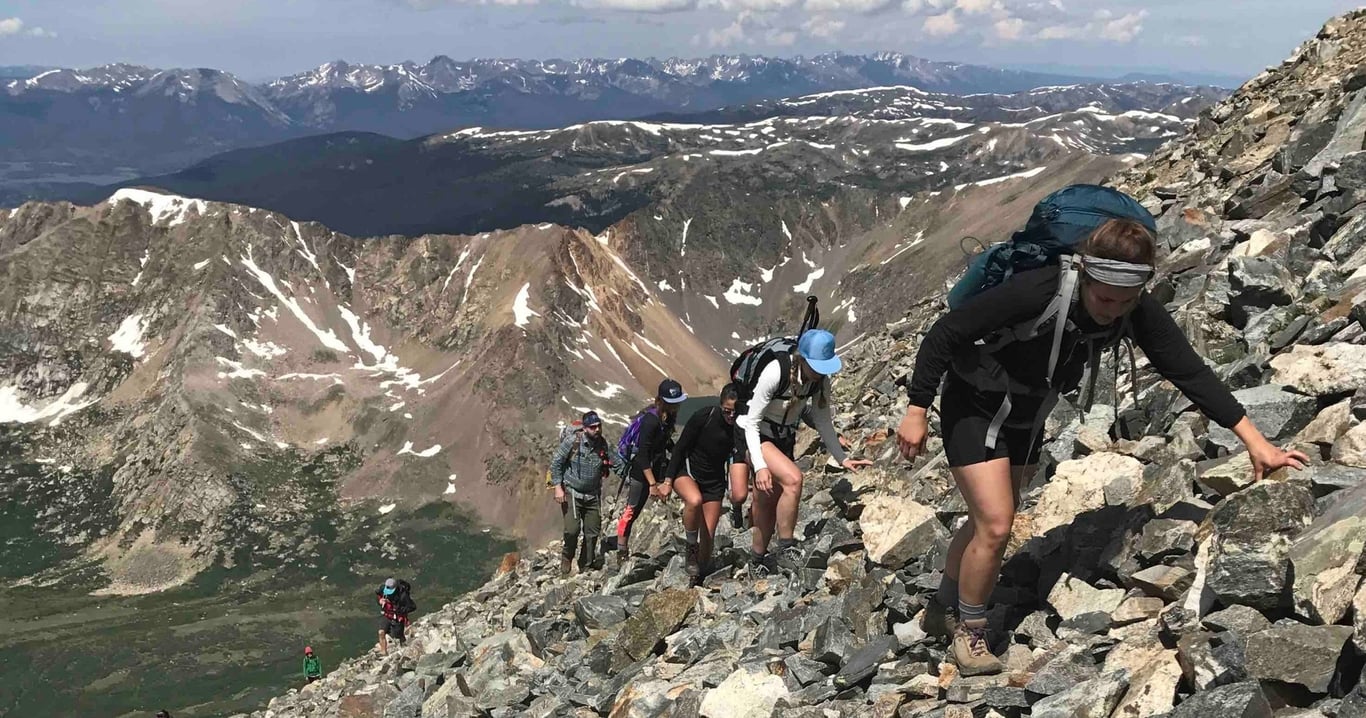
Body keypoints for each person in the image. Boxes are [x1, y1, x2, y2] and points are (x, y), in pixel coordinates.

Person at [895, 217, 1310, 676]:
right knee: (995, 524)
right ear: (1085, 277)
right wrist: (917, 408)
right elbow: (945, 333)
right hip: (974, 401)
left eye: (1124, 301)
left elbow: (1187, 371)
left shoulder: (1135, 309)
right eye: (1104, 298)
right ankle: (970, 633)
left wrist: (1257, 443)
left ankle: (942, 606)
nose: (1112, 311)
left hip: (1027, 410)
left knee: (989, 518)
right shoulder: (1039, 290)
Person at [736, 329, 871, 576]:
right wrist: (760, 466)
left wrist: (842, 457)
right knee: (794, 479)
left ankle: (756, 560)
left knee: (767, 500)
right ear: (803, 358)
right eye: (817, 365)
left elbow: (822, 421)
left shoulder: (819, 381)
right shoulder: (776, 371)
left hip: (783, 437)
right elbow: (751, 422)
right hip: (755, 435)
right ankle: (786, 549)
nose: (822, 372)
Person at [666, 384, 746, 580]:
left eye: (735, 412)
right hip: (688, 472)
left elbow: (741, 455)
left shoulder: (740, 426)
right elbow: (680, 447)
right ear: (720, 405)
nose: (731, 416)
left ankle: (699, 577)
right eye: (727, 411)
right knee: (694, 501)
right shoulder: (705, 416)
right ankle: (690, 550)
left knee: (708, 535)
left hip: (714, 482)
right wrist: (668, 480)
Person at [615, 379, 687, 560]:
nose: (676, 406)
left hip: (656, 467)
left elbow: (664, 442)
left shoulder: (666, 418)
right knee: (632, 509)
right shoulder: (650, 421)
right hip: (642, 472)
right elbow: (642, 454)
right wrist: (652, 483)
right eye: (672, 403)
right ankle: (621, 551)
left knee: (638, 509)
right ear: (661, 401)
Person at [549, 410, 625, 576]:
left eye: (598, 426)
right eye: (592, 427)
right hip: (571, 491)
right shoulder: (572, 442)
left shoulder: (603, 445)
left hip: (592, 494)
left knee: (592, 531)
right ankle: (567, 556)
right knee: (572, 530)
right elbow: (556, 463)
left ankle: (586, 565)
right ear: (584, 428)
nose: (597, 430)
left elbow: (617, 464)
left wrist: (631, 473)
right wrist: (557, 487)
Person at [375, 577, 415, 656]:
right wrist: (379, 601)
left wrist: (400, 610)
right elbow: (378, 596)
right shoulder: (383, 589)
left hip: (398, 617)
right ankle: (384, 651)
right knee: (381, 632)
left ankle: (404, 646)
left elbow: (412, 607)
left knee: (398, 636)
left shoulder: (403, 596)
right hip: (387, 615)